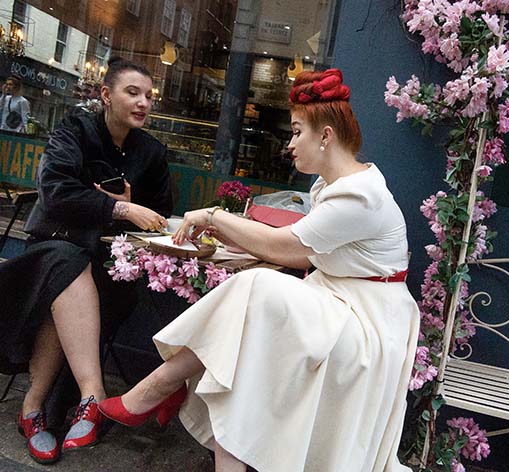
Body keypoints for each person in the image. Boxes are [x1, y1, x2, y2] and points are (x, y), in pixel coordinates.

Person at [99, 69, 420, 472]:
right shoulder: (337, 185)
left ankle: (161, 385)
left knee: (256, 286)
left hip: (367, 323)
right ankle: (163, 386)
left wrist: (214, 216)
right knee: (243, 361)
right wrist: (234, 233)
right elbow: (304, 250)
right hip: (339, 302)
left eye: (297, 132)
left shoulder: (359, 195)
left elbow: (287, 249)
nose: (290, 144)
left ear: (325, 136)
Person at [0, 57, 172, 464]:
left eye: (149, 96)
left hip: (108, 265)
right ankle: (91, 395)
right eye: (132, 93)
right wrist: (120, 209)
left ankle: (34, 407)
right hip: (50, 249)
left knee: (74, 278)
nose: (143, 102)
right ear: (106, 94)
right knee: (67, 265)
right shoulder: (73, 132)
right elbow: (56, 192)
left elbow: (162, 214)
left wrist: (135, 203)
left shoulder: (151, 152)